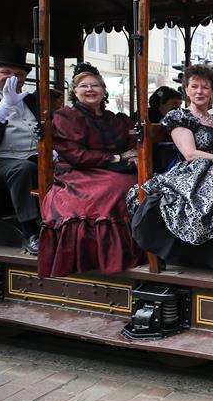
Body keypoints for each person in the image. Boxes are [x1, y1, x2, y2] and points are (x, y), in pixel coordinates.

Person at [128, 65, 213, 270]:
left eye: (205, 87)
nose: (199, 91)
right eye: (194, 86)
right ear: (186, 90)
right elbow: (190, 153)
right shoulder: (180, 117)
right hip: (193, 171)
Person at [38, 63, 143, 278]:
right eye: (83, 86)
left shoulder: (114, 118)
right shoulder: (65, 117)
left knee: (141, 181)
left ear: (104, 90)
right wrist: (115, 157)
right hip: (77, 172)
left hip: (111, 169)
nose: (90, 90)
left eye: (95, 85)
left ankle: (140, 246)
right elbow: (75, 154)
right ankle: (102, 255)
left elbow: (131, 139)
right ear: (74, 92)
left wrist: (134, 152)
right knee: (115, 187)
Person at [0, 44, 40, 254]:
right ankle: (31, 231)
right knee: (22, 169)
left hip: (34, 156)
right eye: (5, 72)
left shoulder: (32, 100)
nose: (12, 78)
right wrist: (3, 106)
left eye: (18, 74)